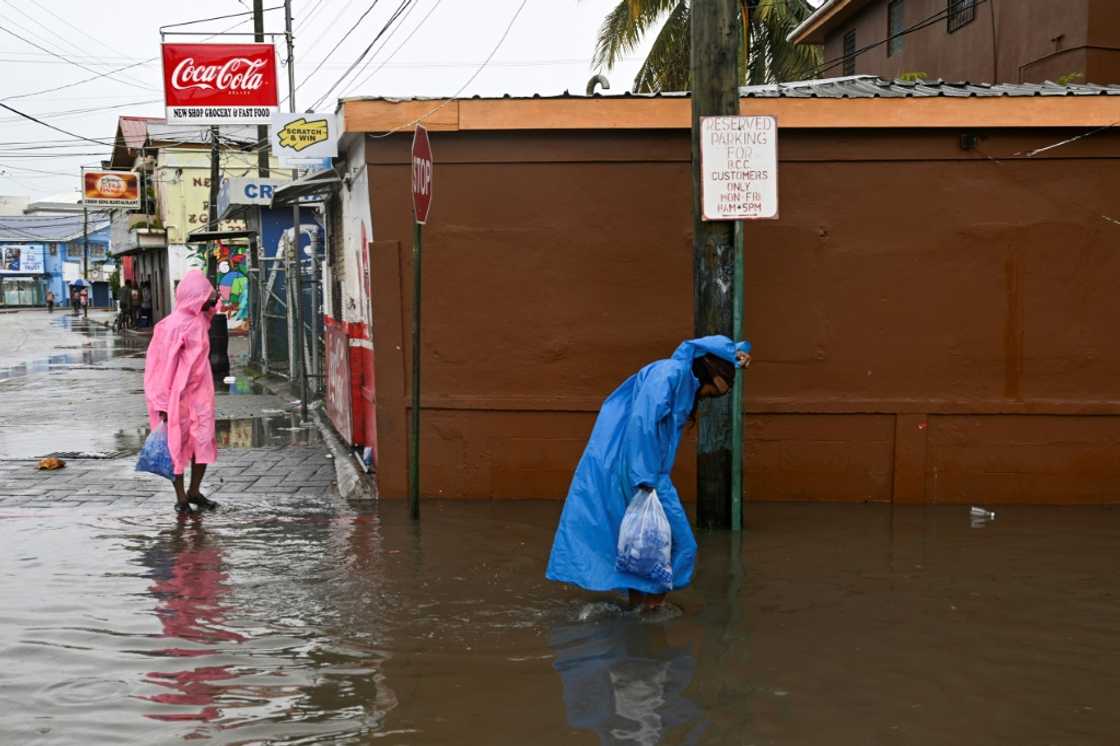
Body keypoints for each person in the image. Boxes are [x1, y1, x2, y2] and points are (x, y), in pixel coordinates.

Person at [546, 336, 751, 611]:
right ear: (710, 371)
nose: (710, 396)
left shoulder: (680, 377)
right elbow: (643, 422)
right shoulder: (670, 373)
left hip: (638, 471)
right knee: (681, 546)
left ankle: (637, 612)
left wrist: (737, 354)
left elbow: (711, 348)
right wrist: (645, 481)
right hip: (644, 474)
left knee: (638, 545)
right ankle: (651, 614)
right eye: (714, 390)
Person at [144, 270, 221, 515]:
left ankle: (193, 491)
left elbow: (213, 310)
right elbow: (160, 366)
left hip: (200, 395)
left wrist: (214, 297)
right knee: (175, 446)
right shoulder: (170, 327)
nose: (209, 299)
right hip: (177, 396)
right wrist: (162, 401)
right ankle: (181, 498)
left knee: (203, 442)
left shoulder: (200, 320)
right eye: (205, 294)